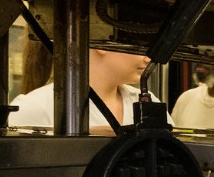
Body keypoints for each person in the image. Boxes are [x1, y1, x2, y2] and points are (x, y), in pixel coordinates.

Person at [9, 47, 147, 133]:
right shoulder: (34, 108)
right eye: (140, 46)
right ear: (103, 46)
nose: (148, 59)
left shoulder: (148, 101)